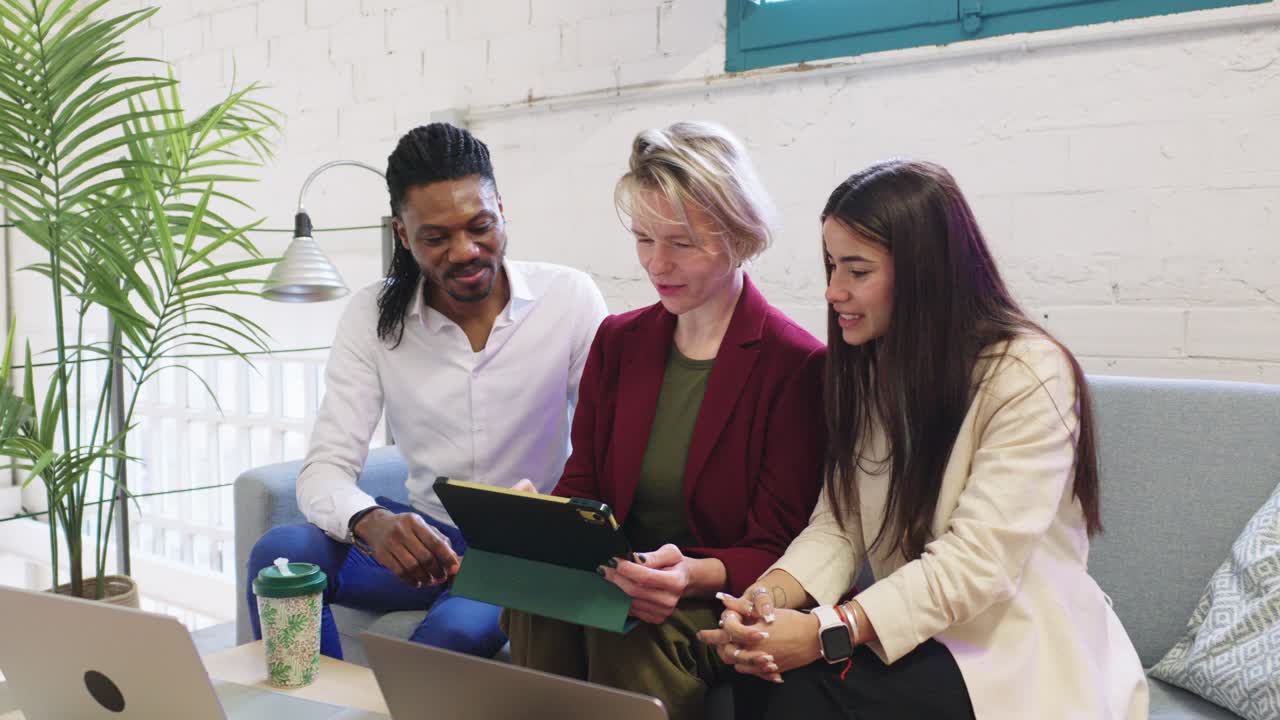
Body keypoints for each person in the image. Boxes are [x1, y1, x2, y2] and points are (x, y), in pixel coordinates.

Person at [700, 160, 1149, 720]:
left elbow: (976, 563)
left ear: (925, 273)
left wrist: (825, 631)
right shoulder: (872, 365)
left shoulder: (1028, 372)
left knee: (803, 694)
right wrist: (763, 603)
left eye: (857, 271)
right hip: (919, 632)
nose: (833, 290)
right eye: (832, 264)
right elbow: (839, 524)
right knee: (761, 672)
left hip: (1015, 644)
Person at [246, 122, 608, 660]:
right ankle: (310, 704)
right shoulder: (373, 314)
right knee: (281, 554)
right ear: (402, 234)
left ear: (502, 210)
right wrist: (372, 523)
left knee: (455, 636)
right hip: (422, 544)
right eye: (436, 238)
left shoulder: (568, 298)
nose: (464, 251)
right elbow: (325, 467)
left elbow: (611, 445)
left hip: (522, 550)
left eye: (480, 226)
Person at [501, 121, 826, 720]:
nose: (656, 264)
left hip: (710, 594)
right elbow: (585, 486)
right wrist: (543, 519)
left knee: (623, 624)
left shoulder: (795, 364)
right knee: (536, 596)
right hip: (618, 577)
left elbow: (778, 544)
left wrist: (691, 577)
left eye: (680, 242)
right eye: (643, 238)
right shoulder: (619, 342)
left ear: (739, 236)